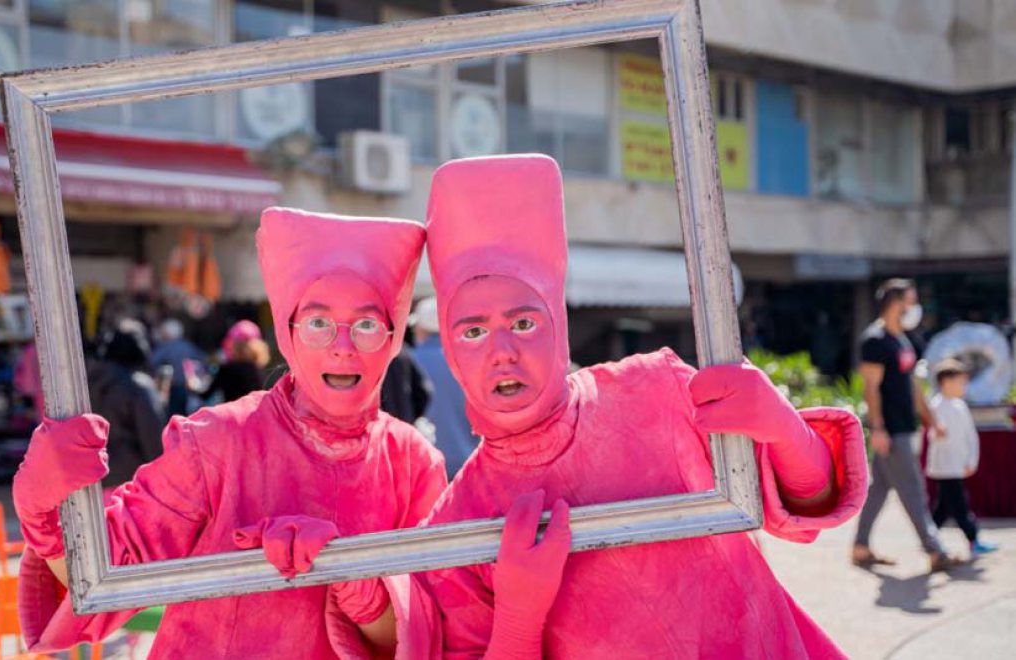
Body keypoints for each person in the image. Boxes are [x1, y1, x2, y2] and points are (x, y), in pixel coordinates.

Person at [411, 154, 868, 657]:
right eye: (473, 333)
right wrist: (518, 621)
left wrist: (785, 431)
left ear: (558, 325)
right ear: (451, 352)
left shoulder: (656, 388)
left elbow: (807, 506)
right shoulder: (458, 525)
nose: (503, 353)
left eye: (523, 324)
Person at [12, 208, 448, 658]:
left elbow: (424, 638)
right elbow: (104, 577)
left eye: (367, 325)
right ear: (288, 331)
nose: (342, 347)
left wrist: (364, 590)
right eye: (318, 323)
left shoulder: (413, 464)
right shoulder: (216, 441)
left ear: (394, 337)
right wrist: (47, 516)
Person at [852, 278, 964, 572]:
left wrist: (932, 420)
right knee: (914, 489)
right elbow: (871, 388)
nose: (914, 307)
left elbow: (912, 386)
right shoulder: (874, 340)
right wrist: (877, 427)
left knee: (879, 490)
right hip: (890, 429)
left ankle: (860, 547)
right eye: (911, 301)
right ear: (895, 302)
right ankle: (935, 550)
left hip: (904, 426)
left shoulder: (901, 340)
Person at [927, 358, 998, 557]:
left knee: (943, 507)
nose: (964, 386)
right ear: (946, 382)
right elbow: (933, 434)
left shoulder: (960, 406)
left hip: (957, 466)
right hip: (944, 467)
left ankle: (928, 537)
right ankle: (973, 540)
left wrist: (971, 460)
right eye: (961, 382)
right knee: (959, 506)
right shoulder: (936, 406)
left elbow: (970, 437)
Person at [86, 320, 165, 486]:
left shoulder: (87, 382)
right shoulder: (138, 385)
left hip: (90, 479)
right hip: (129, 481)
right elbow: (152, 438)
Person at [408, 297, 480, 478]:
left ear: (421, 329)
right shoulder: (471, 361)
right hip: (470, 464)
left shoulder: (409, 362)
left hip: (425, 467)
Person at [196, 319, 270, 403]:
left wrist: (192, 385)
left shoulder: (226, 370)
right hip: (256, 415)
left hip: (231, 415)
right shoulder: (258, 371)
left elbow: (205, 395)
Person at [149, 317, 207, 417]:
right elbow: (203, 362)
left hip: (173, 389)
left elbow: (151, 362)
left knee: (173, 416)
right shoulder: (189, 346)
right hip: (190, 389)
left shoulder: (165, 347)